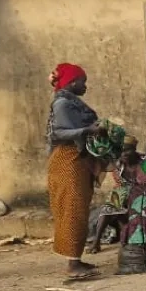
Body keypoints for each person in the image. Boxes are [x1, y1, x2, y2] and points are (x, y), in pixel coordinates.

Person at [47, 63, 105, 279]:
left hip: (76, 160)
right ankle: (72, 265)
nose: (85, 86)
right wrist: (88, 130)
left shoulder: (72, 103)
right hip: (67, 160)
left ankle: (76, 259)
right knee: (72, 209)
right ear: (72, 82)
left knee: (78, 208)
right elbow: (59, 133)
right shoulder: (63, 104)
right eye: (83, 81)